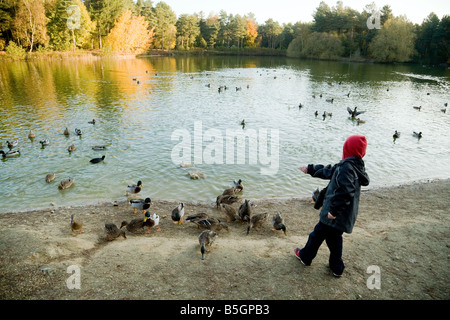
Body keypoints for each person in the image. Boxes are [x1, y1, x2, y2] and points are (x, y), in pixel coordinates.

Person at [295, 135, 370, 277]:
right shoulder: (354, 166)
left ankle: (305, 256)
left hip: (335, 213)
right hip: (343, 215)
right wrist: (310, 169)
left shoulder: (346, 167)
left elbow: (346, 192)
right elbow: (329, 171)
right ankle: (337, 268)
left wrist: (334, 211)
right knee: (333, 239)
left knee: (317, 234)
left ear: (347, 149)